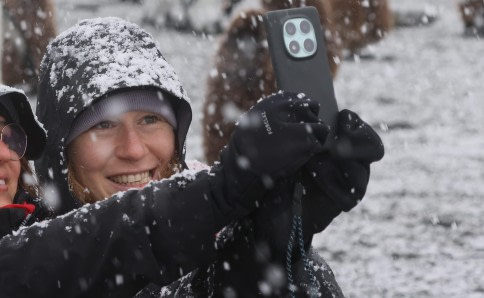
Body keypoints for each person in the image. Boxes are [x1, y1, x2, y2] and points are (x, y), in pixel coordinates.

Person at [0, 57, 332, 297]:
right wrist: (221, 189)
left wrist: (277, 225)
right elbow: (22, 274)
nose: (2, 155)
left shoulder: (22, 233)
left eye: (9, 137)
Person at [35, 17, 385, 296]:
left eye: (149, 119)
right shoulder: (23, 264)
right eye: (105, 125)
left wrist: (275, 246)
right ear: (60, 149)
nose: (134, 149)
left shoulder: (216, 240)